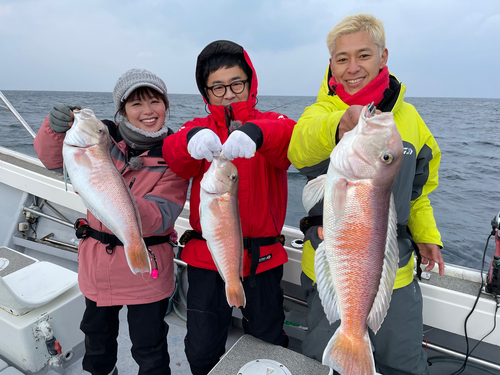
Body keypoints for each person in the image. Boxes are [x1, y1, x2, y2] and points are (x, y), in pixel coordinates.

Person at [287, 14, 445, 375]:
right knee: (325, 363)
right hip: (333, 268)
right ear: (331, 64)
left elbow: (419, 191)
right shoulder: (321, 112)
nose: (352, 67)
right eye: (342, 59)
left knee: (403, 365)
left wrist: (427, 236)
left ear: (383, 57)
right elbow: (298, 150)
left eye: (364, 55)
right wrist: (339, 123)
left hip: (399, 272)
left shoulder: (411, 119)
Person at [33, 69, 189, 375]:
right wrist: (53, 130)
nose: (147, 111)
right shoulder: (98, 137)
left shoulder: (175, 155)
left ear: (166, 106)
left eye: (155, 102)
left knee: (149, 347)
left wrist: (115, 199)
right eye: (136, 104)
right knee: (97, 342)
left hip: (147, 268)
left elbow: (162, 216)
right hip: (98, 268)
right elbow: (52, 160)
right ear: (122, 111)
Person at [162, 40, 296, 375]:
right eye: (217, 87)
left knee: (267, 344)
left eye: (236, 83)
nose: (228, 94)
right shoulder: (198, 129)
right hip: (208, 261)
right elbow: (174, 154)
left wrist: (257, 133)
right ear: (205, 92)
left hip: (262, 262)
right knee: (202, 347)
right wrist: (191, 139)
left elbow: (290, 140)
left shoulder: (271, 122)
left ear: (250, 84)